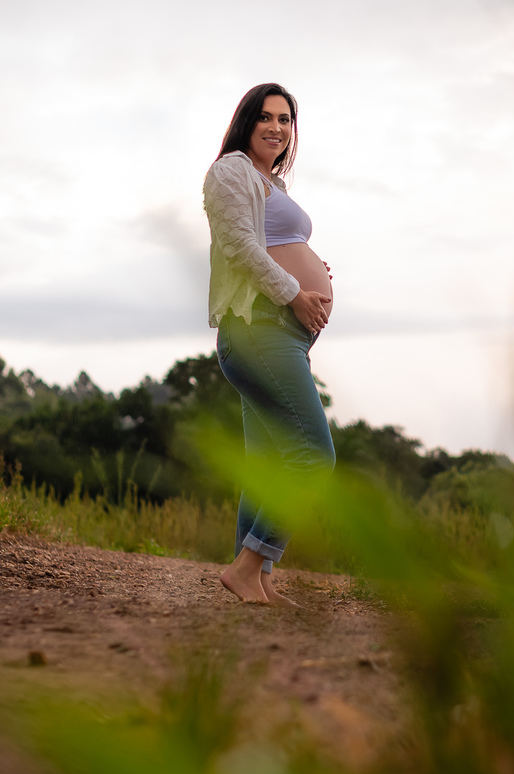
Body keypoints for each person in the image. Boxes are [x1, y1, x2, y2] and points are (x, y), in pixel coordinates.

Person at [203, 83, 336, 606]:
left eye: (286, 119)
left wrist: (310, 266)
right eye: (265, 117)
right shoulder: (230, 170)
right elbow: (239, 247)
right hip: (258, 327)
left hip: (282, 333)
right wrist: (294, 291)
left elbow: (275, 244)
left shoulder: (271, 183)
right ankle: (248, 564)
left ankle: (255, 579)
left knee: (267, 466)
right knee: (312, 457)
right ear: (245, 122)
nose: (277, 127)